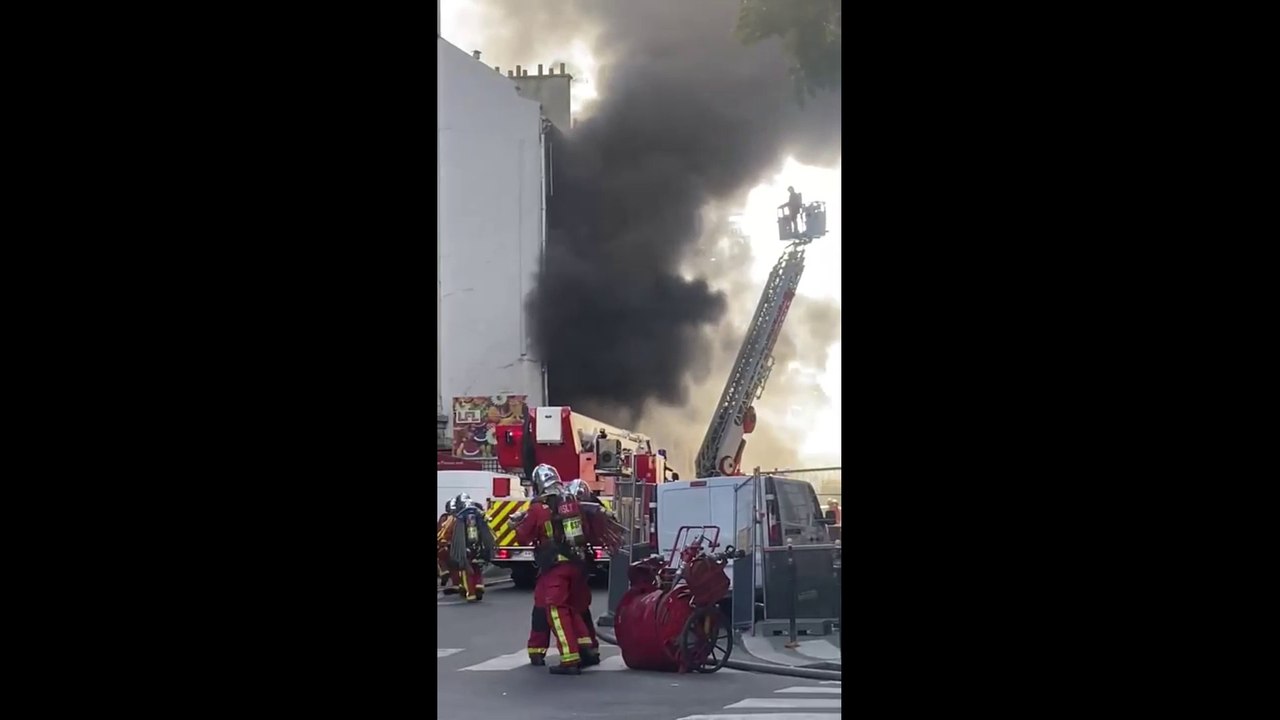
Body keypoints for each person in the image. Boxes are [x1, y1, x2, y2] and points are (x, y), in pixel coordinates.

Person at [509, 465, 595, 675]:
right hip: (577, 564)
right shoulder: (571, 502)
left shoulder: (538, 508)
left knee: (555, 610)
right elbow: (586, 531)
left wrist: (514, 525)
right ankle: (586, 648)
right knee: (569, 606)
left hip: (555, 567)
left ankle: (569, 658)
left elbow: (524, 537)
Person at [449, 494, 496, 603]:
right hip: (479, 546)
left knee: (466, 570)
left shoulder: (459, 517)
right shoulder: (477, 512)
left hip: (464, 547)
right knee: (477, 566)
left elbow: (452, 533)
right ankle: (479, 584)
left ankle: (471, 593)